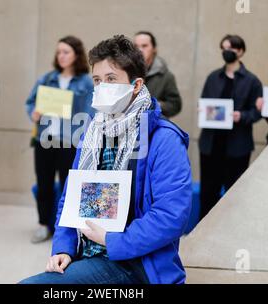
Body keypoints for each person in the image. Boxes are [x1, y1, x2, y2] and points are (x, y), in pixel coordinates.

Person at [20, 35, 192, 284]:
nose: (102, 87)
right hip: (86, 253)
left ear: (136, 85)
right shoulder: (92, 132)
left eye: (111, 79)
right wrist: (63, 247)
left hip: (134, 264)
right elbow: (72, 198)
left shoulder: (164, 139)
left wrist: (112, 240)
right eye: (97, 80)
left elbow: (171, 215)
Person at [25, 36, 94, 243]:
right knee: (44, 183)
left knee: (68, 186)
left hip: (70, 142)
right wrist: (34, 113)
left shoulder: (85, 82)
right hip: (45, 139)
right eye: (58, 52)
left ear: (76, 55)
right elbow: (30, 102)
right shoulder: (47, 79)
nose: (61, 56)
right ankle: (43, 224)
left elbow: (90, 113)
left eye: (66, 52)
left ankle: (65, 229)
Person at [198, 34, 262, 220]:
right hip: (211, 146)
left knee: (234, 197)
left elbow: (257, 112)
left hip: (237, 148)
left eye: (231, 48)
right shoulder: (213, 77)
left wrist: (241, 116)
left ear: (240, 51)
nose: (227, 52)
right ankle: (202, 235)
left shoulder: (252, 81)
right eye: (224, 48)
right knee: (207, 194)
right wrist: (203, 110)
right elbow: (204, 102)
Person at [134, 31, 182, 118]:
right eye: (136, 46)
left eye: (144, 46)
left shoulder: (166, 76)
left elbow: (175, 106)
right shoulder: (126, 73)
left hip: (155, 125)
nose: (140, 50)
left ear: (154, 49)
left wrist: (155, 105)